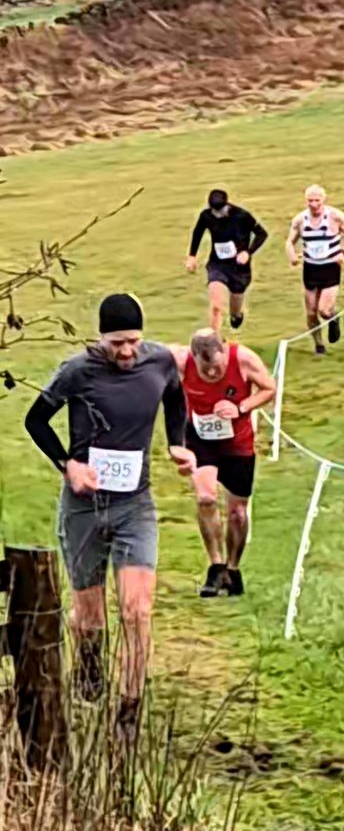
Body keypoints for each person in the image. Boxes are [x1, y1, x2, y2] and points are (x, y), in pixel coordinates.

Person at [22, 294, 196, 740]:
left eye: (133, 342)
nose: (126, 352)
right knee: (90, 617)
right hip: (84, 507)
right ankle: (91, 661)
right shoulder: (77, 370)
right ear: (102, 338)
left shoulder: (158, 362)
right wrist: (68, 465)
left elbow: (176, 396)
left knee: (137, 610)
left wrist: (177, 441)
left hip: (134, 506)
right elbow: (35, 420)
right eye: (117, 343)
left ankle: (129, 711)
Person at [171, 329, 276, 598]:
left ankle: (233, 569)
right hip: (200, 440)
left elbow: (269, 388)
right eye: (205, 369)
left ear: (224, 352)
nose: (212, 374)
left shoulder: (243, 358)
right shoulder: (181, 360)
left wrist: (240, 407)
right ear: (193, 357)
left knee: (237, 514)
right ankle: (216, 566)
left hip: (237, 443)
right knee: (205, 499)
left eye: (217, 368)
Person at [286, 186, 344, 356]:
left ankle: (333, 318)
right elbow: (289, 241)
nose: (313, 204)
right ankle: (319, 345)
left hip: (330, 267)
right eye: (310, 201)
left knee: (324, 310)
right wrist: (292, 257)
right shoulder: (300, 220)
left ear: (323, 200)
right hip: (311, 268)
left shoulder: (334, 216)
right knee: (311, 313)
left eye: (317, 200)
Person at [186, 190, 269, 334]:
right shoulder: (206, 215)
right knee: (216, 306)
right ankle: (214, 341)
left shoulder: (242, 216)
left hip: (239, 268)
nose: (217, 214)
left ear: (227, 205)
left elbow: (262, 234)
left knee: (235, 314)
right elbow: (197, 233)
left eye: (220, 210)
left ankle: (237, 316)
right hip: (217, 265)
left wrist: (248, 253)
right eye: (214, 211)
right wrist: (192, 256)